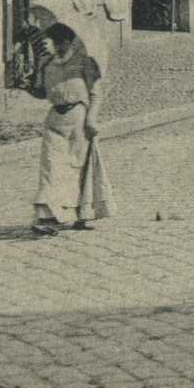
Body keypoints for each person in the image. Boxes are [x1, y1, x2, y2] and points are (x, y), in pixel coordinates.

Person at [30, 23, 113, 235]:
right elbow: (41, 92)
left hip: (78, 118)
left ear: (71, 41)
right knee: (51, 166)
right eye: (55, 43)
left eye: (62, 43)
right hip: (54, 119)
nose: (58, 47)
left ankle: (81, 215)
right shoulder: (46, 63)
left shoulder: (84, 62)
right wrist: (29, 85)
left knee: (78, 168)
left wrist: (91, 120)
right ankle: (45, 218)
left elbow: (95, 93)